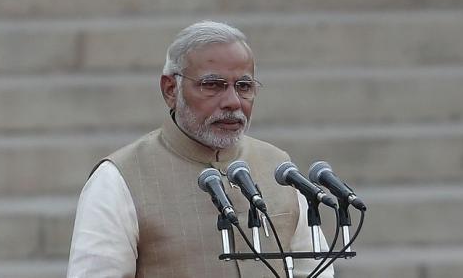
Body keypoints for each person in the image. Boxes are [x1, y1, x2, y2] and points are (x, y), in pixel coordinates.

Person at [67, 21, 335, 278]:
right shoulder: (119, 179)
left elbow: (314, 270)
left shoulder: (279, 169)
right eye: (212, 85)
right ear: (171, 89)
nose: (232, 102)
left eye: (244, 86)